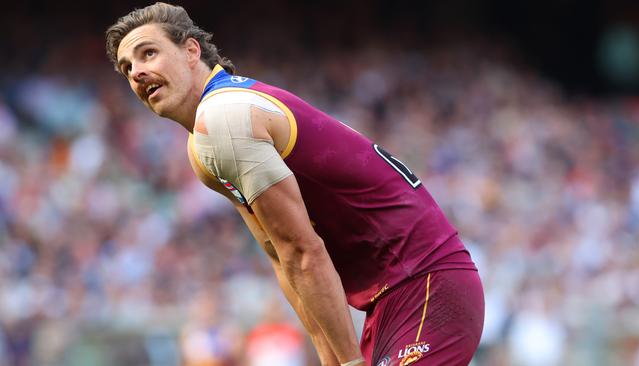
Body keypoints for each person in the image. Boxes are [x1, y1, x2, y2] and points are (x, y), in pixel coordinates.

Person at [106, 3, 484, 365]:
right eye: (127, 68)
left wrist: (349, 361)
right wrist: (331, 357)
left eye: (148, 53)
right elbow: (280, 257)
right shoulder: (203, 141)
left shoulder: (224, 118)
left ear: (191, 51)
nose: (136, 72)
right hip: (393, 298)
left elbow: (302, 251)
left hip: (424, 284)